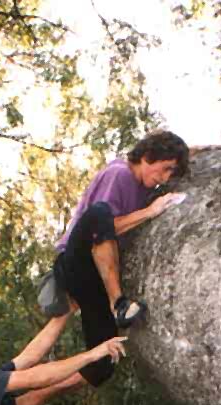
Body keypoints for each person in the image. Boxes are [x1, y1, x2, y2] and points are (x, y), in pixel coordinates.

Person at [53, 130, 190, 389]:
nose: (165, 178)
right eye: (164, 169)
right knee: (101, 213)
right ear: (148, 157)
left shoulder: (144, 177)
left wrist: (201, 149)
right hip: (75, 262)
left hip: (95, 278)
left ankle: (27, 401)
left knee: (104, 362)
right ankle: (119, 303)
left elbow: (171, 152)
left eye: (171, 172)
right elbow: (102, 225)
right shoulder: (119, 174)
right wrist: (150, 212)